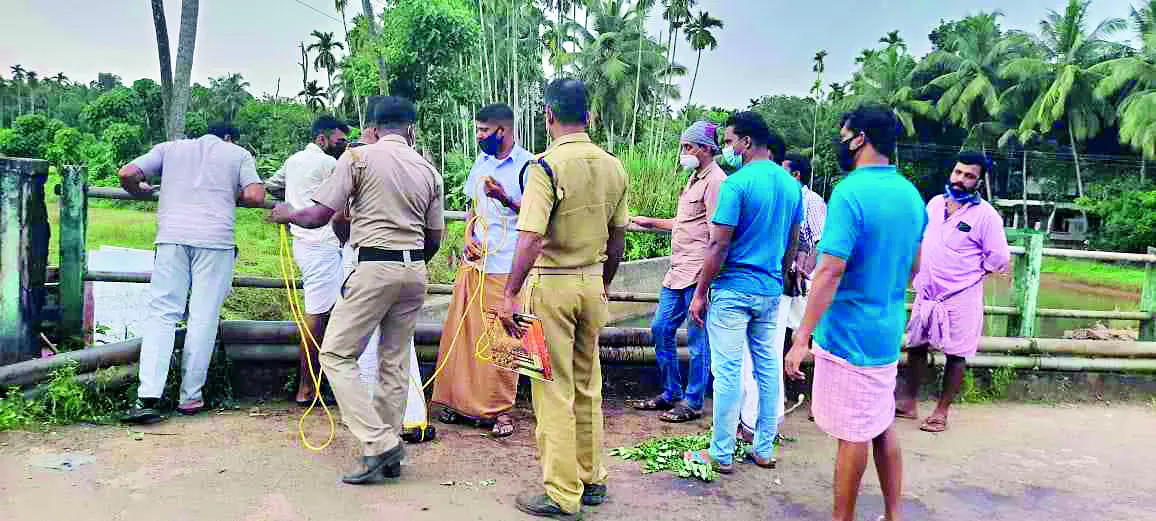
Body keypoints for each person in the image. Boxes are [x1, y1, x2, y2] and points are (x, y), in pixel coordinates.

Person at [267, 96, 444, 484]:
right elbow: (435, 237)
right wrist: (409, 262)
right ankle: (387, 447)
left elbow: (318, 216)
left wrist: (286, 213)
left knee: (335, 354)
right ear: (411, 129)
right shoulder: (428, 170)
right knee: (394, 360)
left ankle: (378, 442)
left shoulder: (357, 158)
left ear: (375, 129)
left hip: (373, 267)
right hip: (414, 270)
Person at [494, 79, 628, 519]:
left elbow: (531, 237)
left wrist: (509, 293)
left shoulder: (544, 166)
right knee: (589, 385)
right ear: (588, 115)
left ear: (548, 115)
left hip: (552, 284)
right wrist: (602, 282)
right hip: (592, 284)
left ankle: (561, 493)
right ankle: (592, 478)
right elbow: (618, 236)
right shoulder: (613, 165)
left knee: (552, 390)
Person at [785, 105, 927, 521]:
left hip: (849, 334)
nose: (841, 141)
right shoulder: (911, 195)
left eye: (844, 133)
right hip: (886, 330)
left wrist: (801, 337)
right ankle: (892, 513)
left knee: (852, 435)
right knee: (880, 425)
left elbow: (829, 269)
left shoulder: (850, 192)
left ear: (860, 137)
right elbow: (916, 267)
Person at [120, 122, 266, 424]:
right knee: (203, 316)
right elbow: (255, 196)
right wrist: (231, 193)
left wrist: (140, 190)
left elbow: (127, 174)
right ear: (229, 137)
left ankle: (148, 396)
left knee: (162, 313)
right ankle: (190, 398)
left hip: (172, 237)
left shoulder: (169, 149)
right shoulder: (238, 154)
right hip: (215, 240)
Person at [685, 111, 802, 473]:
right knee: (768, 371)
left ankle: (720, 453)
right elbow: (793, 240)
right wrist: (778, 276)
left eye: (731, 142)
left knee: (728, 373)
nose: (728, 149)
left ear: (747, 143)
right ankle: (763, 448)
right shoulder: (790, 186)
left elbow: (718, 245)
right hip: (769, 291)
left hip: (733, 289)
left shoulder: (736, 185)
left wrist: (701, 292)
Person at [431, 103, 532, 438]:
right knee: (465, 334)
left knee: (503, 336)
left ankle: (501, 410)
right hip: (476, 262)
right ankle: (462, 403)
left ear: (502, 131)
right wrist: (466, 238)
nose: (478, 136)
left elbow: (535, 218)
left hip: (506, 264)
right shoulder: (482, 162)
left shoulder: (527, 166)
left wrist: (505, 199)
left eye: (483, 131)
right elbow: (473, 207)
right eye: (477, 130)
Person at [899, 152, 1010, 432]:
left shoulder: (986, 216)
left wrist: (969, 274)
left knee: (957, 354)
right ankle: (909, 402)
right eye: (958, 173)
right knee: (915, 346)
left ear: (979, 182)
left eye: (969, 176)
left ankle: (941, 411)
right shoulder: (935, 204)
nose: (961, 180)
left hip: (961, 296)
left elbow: (998, 259)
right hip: (928, 292)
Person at [629, 120, 725, 423]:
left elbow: (716, 235)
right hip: (677, 269)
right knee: (660, 328)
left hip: (698, 273)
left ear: (706, 149)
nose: (683, 152)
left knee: (698, 340)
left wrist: (704, 288)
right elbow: (685, 223)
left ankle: (694, 400)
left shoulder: (716, 182)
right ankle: (671, 391)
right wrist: (651, 222)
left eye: (689, 147)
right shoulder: (694, 178)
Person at [738, 152, 827, 441]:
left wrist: (799, 268)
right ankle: (762, 421)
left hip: (787, 283)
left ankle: (762, 423)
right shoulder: (784, 196)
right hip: (777, 284)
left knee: (772, 351)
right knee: (767, 353)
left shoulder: (806, 200)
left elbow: (813, 240)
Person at [264, 115, 350, 405]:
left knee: (324, 313)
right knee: (318, 316)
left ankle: (312, 384)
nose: (343, 146)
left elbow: (272, 186)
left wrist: (292, 199)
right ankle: (307, 387)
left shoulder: (293, 160)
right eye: (339, 141)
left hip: (304, 244)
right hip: (324, 244)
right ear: (322, 139)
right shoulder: (332, 164)